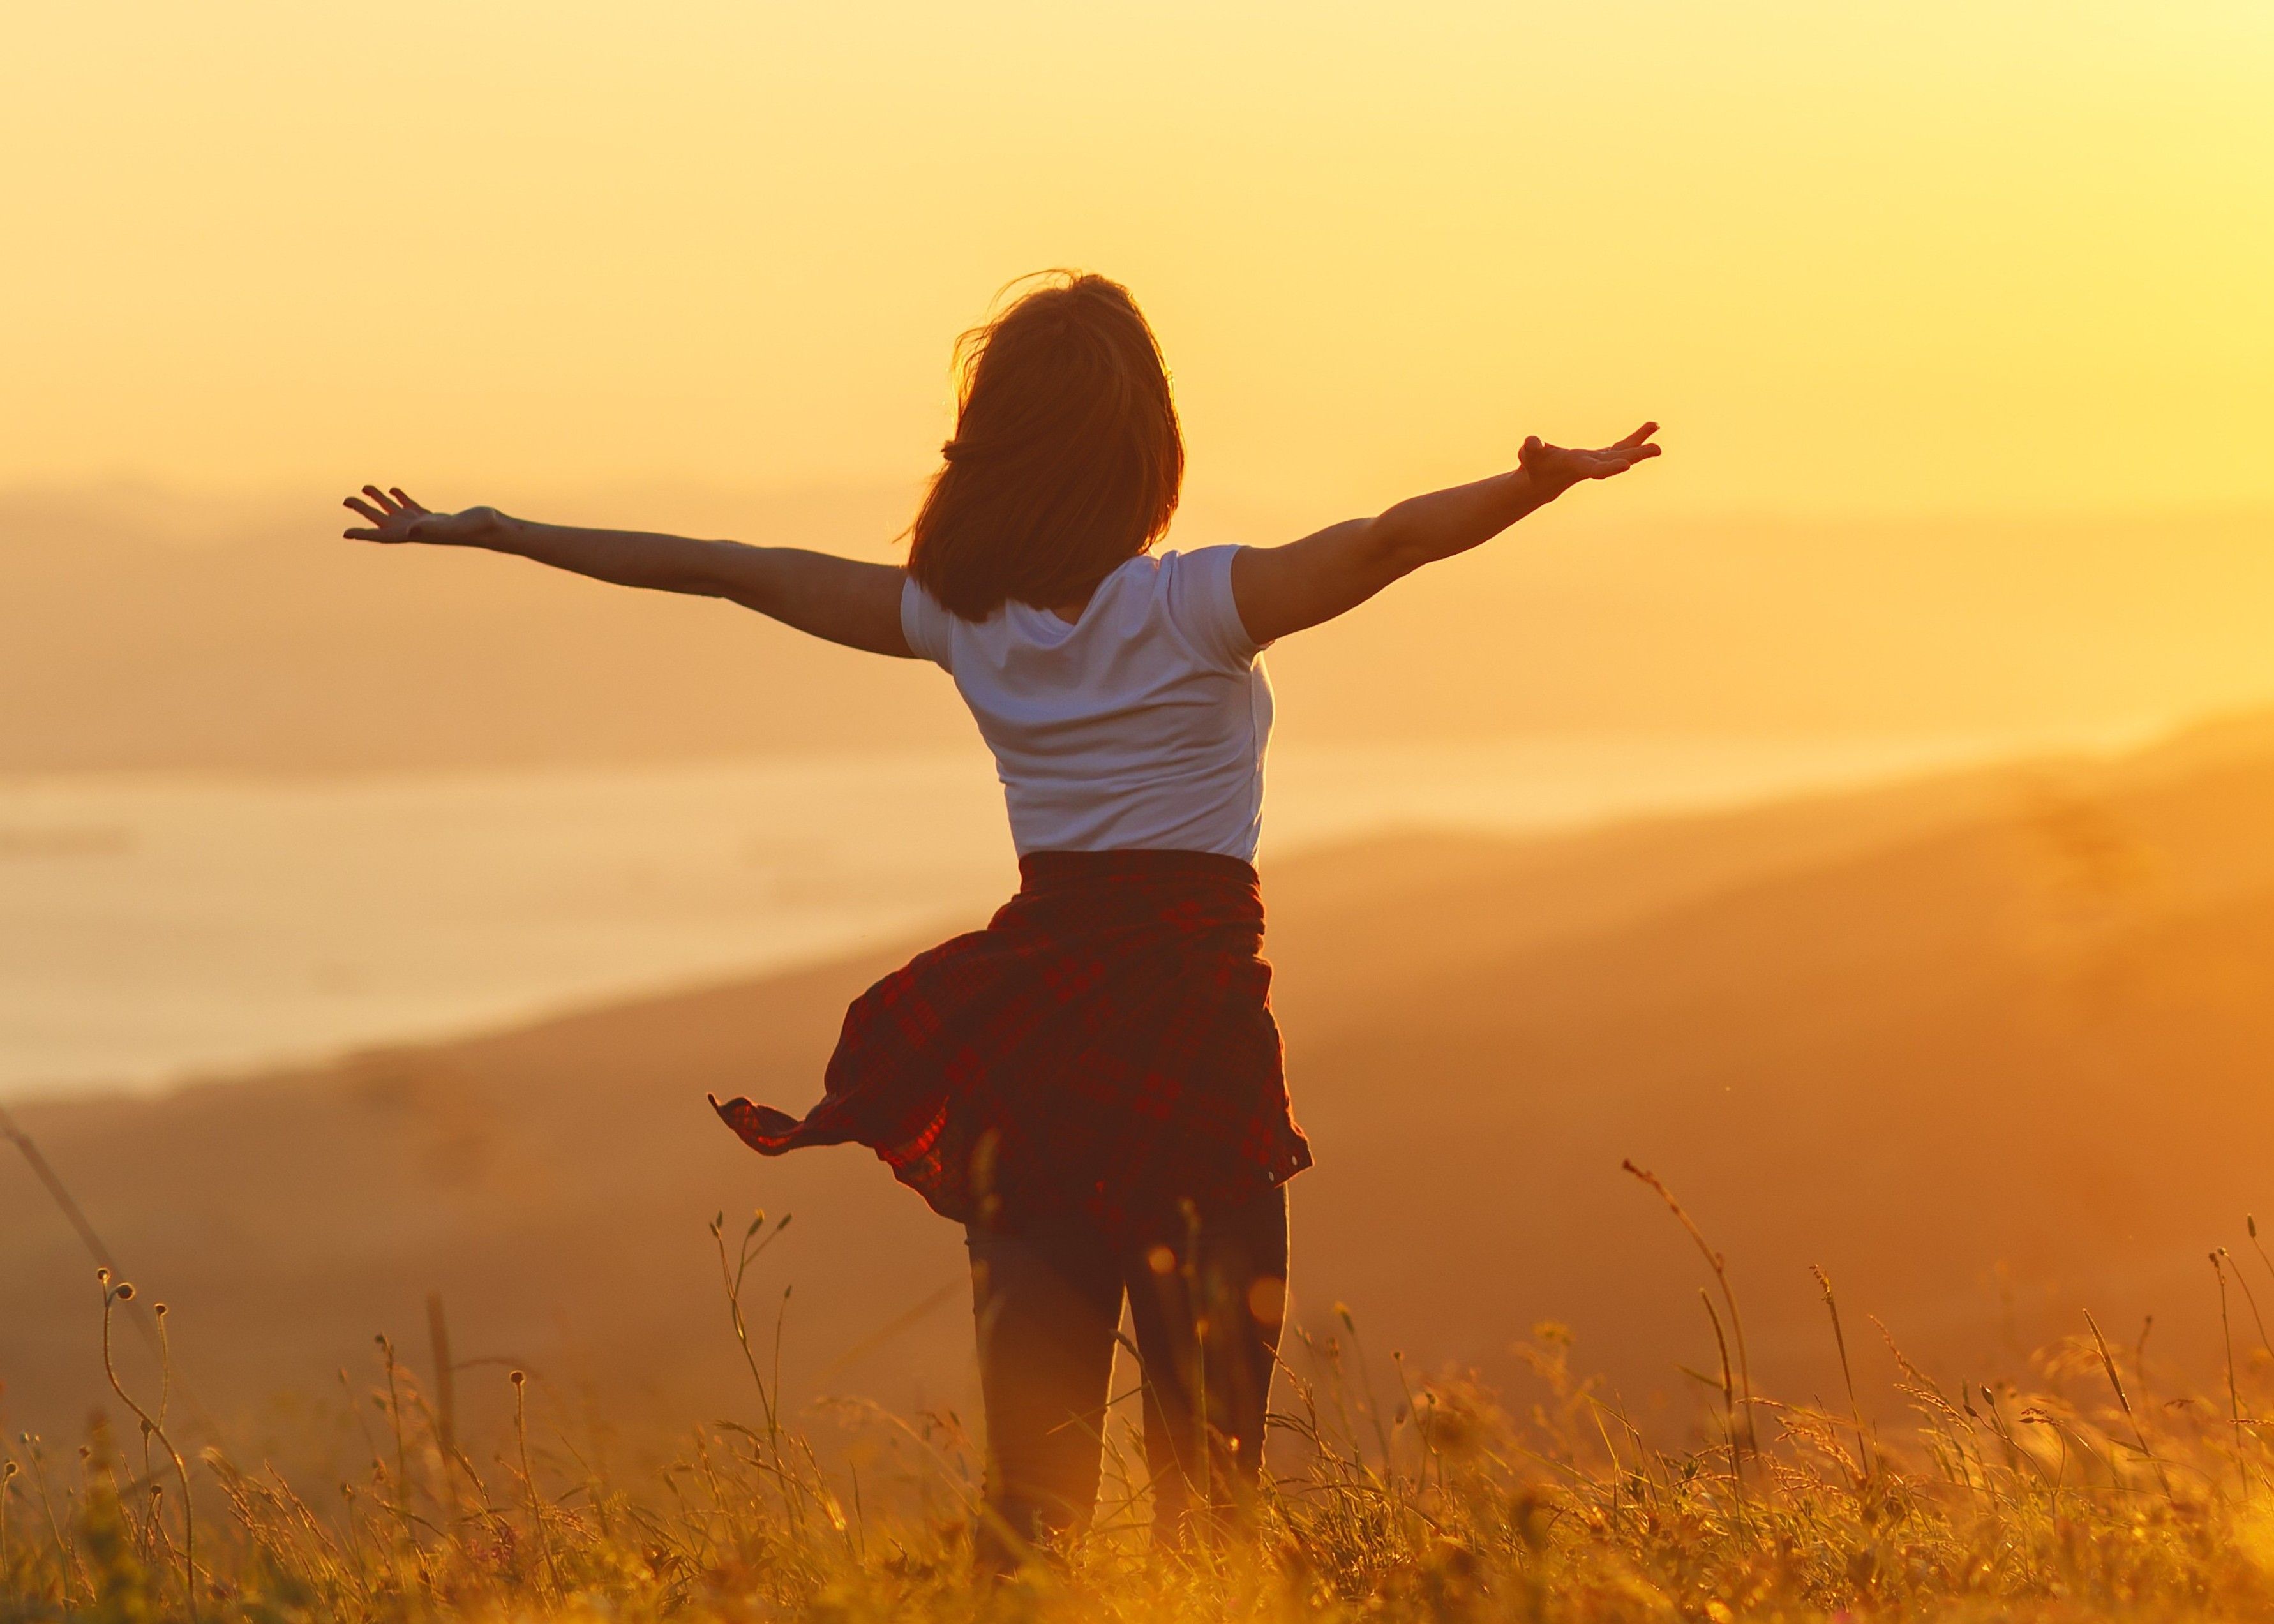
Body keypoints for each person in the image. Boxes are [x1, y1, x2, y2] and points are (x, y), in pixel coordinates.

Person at [343, 270, 1659, 1568]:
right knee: (1213, 1496)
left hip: (1031, 1057)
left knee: (1033, 1503)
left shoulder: (959, 621)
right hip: (1192, 1058)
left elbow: (724, 568)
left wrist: (496, 528)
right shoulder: (1196, 607)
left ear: (996, 451)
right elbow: (1386, 539)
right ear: (1146, 450)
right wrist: (1534, 486)